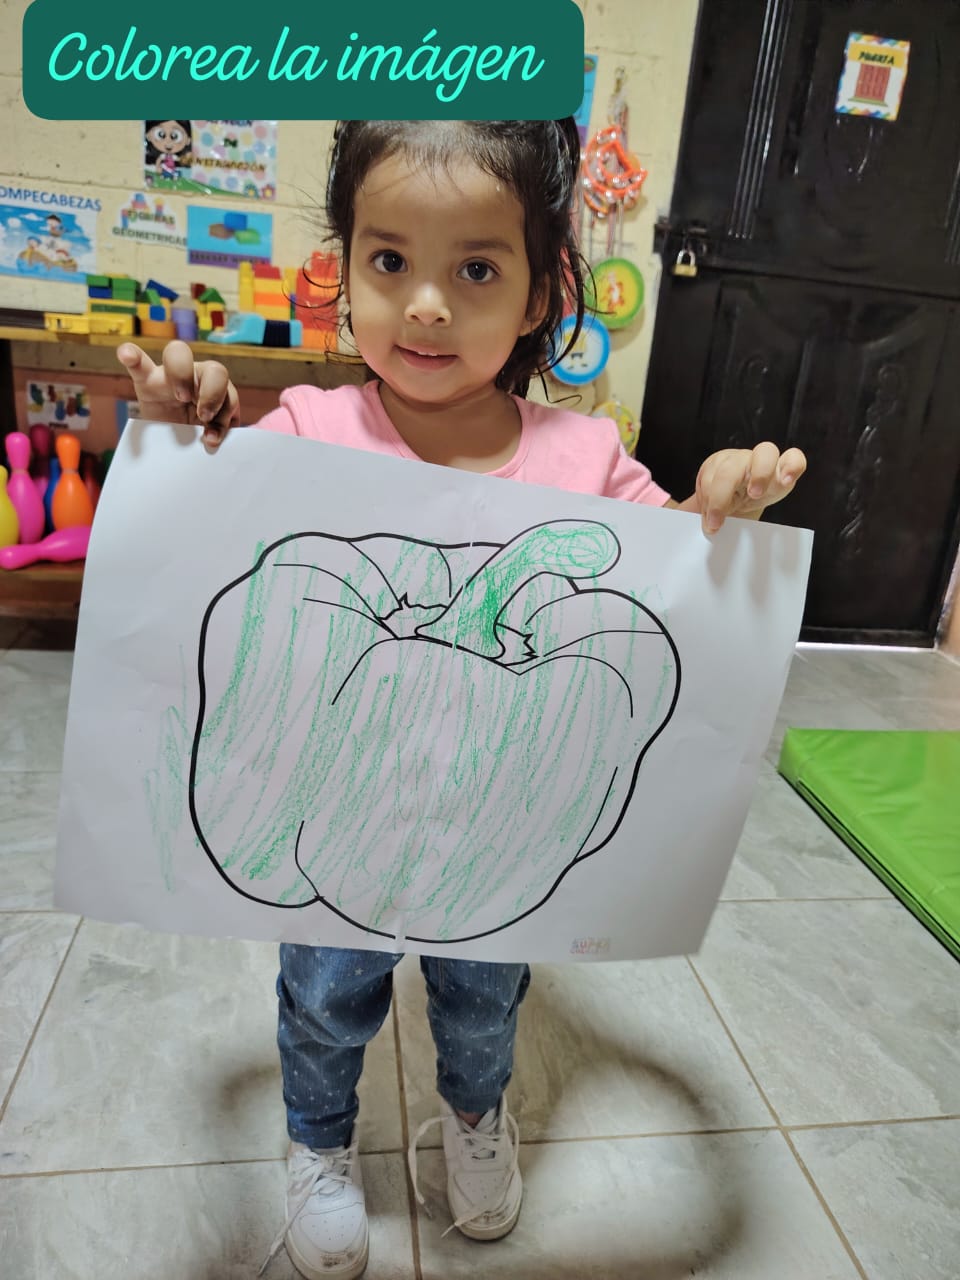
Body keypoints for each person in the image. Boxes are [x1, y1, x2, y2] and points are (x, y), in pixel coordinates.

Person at [117, 118, 806, 1280]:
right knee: (324, 993)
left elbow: (673, 565)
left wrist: (716, 503)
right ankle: (319, 1138)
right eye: (391, 261)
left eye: (476, 268)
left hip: (499, 829)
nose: (428, 304)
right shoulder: (306, 430)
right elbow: (200, 536)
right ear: (344, 268)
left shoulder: (585, 456)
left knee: (486, 1000)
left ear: (540, 295)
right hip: (338, 805)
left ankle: (477, 1117)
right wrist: (180, 433)